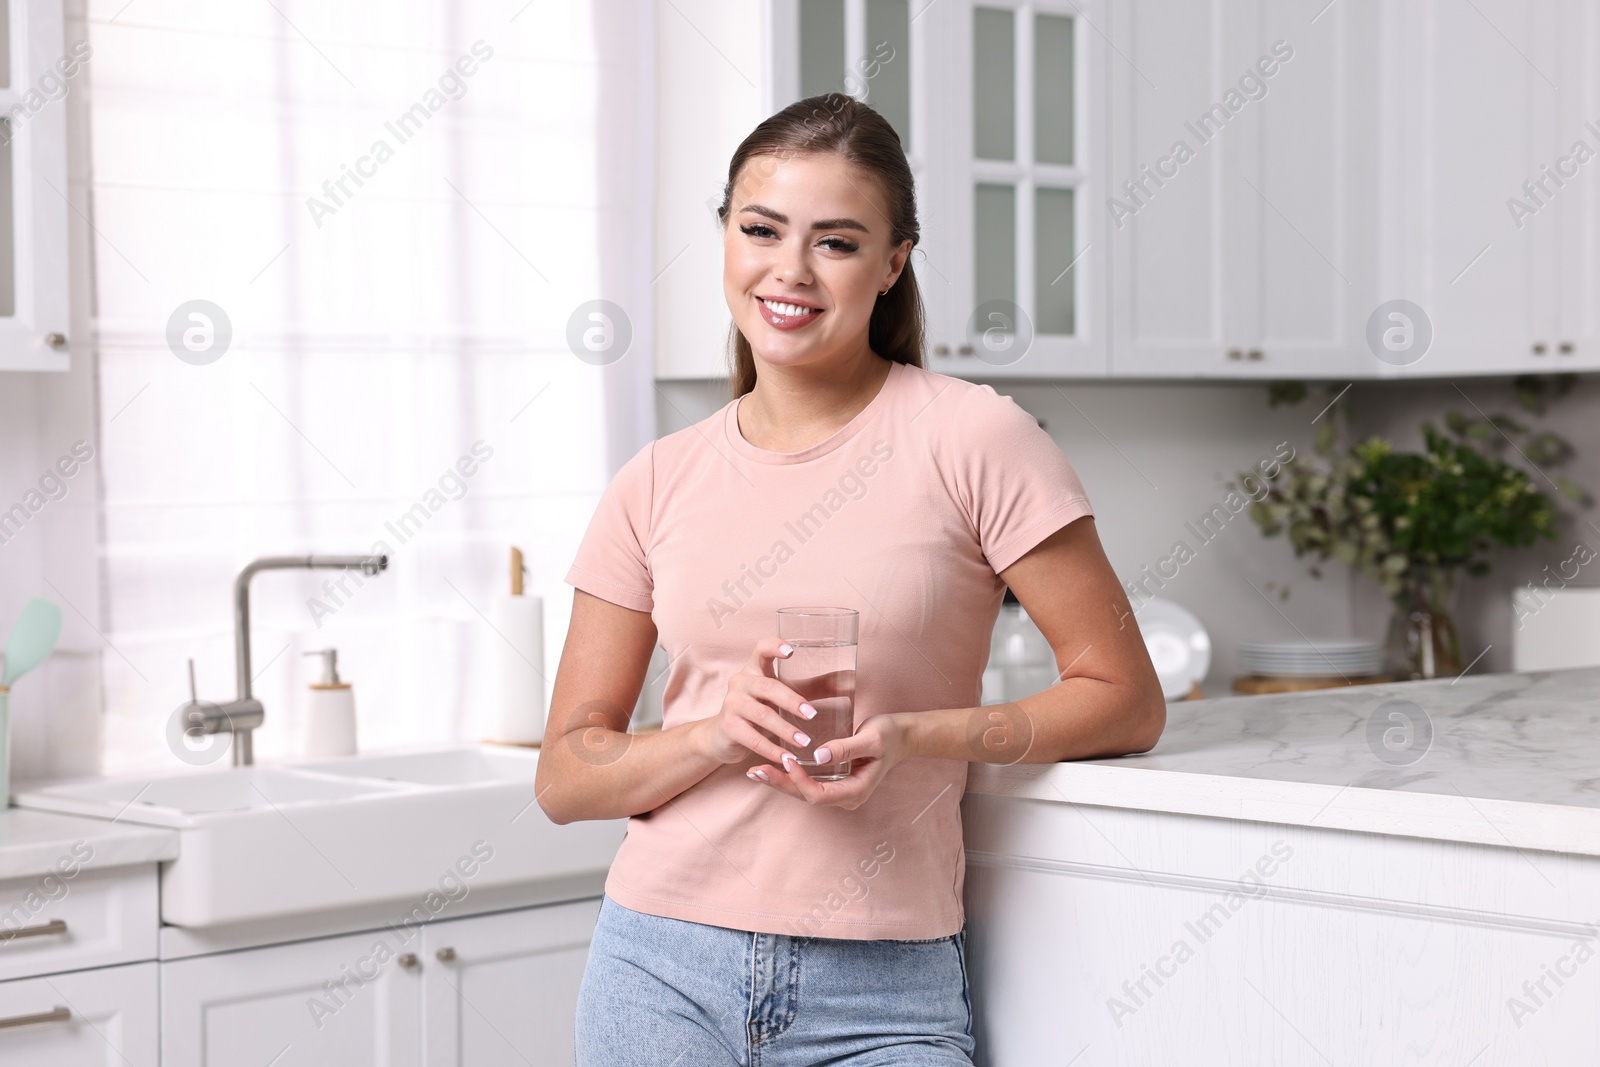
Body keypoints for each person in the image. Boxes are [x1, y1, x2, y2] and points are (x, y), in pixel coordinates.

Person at [538, 92, 1166, 1066]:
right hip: (657, 963)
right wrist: (710, 733)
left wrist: (916, 737)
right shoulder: (656, 479)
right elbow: (567, 775)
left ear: (892, 261)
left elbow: (1124, 697)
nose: (787, 271)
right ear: (725, 239)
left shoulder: (975, 436)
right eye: (760, 230)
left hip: (881, 987)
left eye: (835, 241)